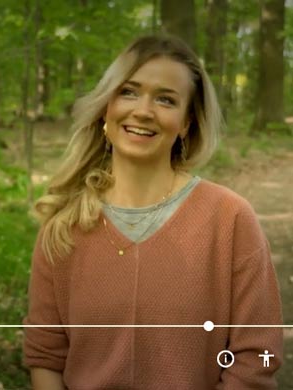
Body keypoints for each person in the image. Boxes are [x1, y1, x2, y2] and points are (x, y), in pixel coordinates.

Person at [23, 34, 283, 389]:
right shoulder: (63, 225)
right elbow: (45, 356)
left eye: (165, 99)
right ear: (106, 108)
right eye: (129, 92)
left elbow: (257, 356)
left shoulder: (230, 218)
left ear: (187, 123)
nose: (143, 111)